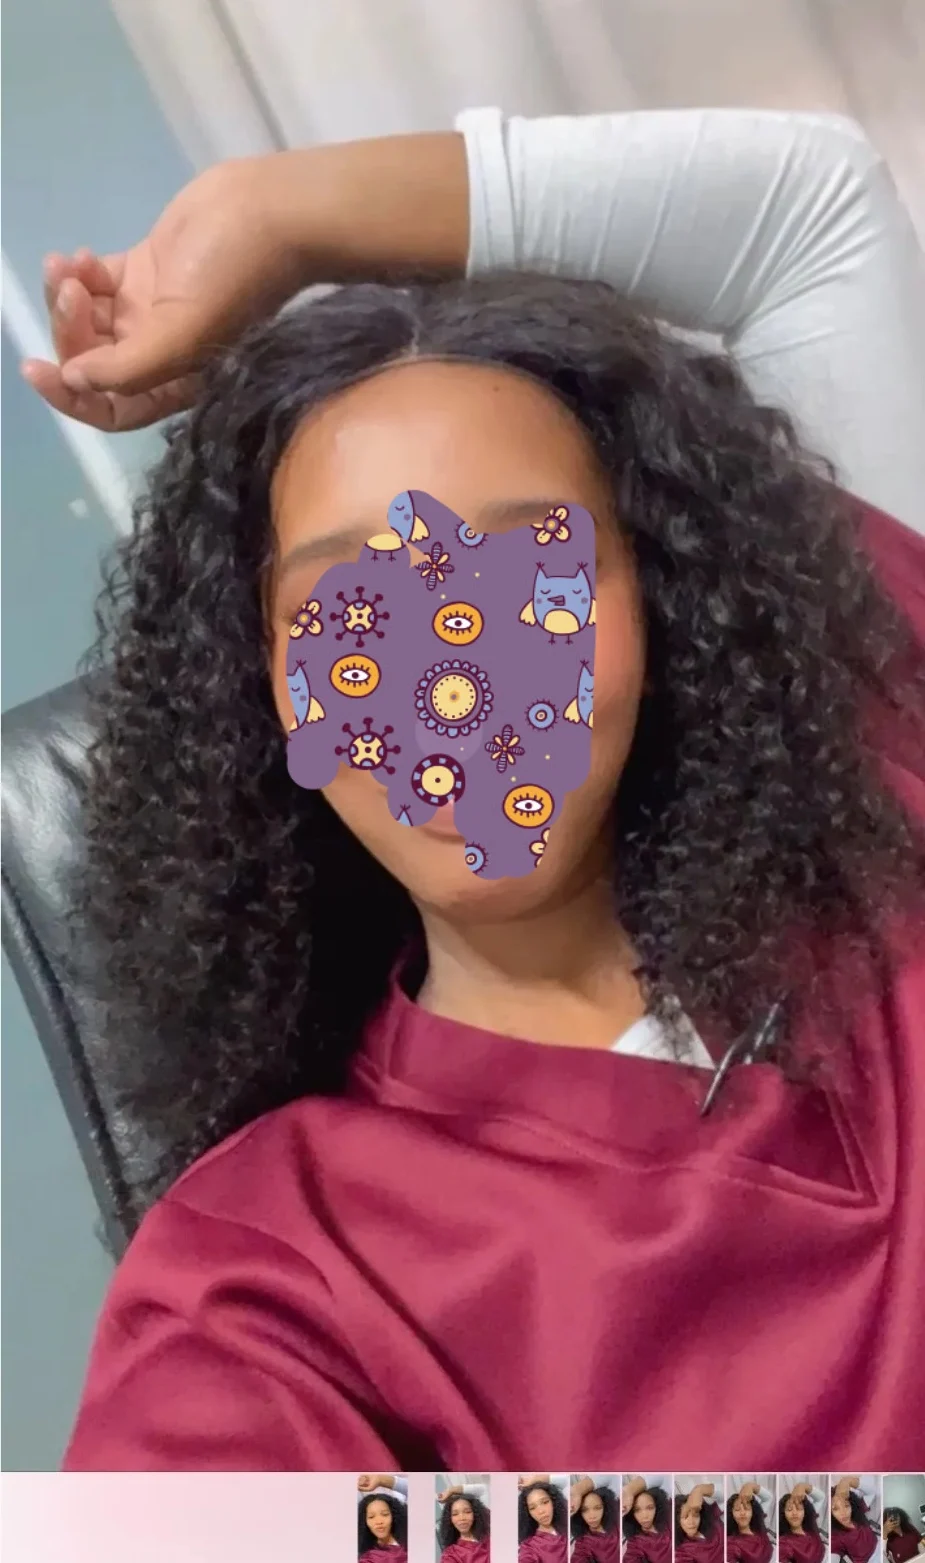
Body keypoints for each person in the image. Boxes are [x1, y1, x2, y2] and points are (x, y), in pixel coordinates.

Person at [30, 105, 925, 1471]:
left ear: (660, 598)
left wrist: (280, 219)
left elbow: (806, 211)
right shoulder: (269, 1279)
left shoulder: (878, 755)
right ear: (268, 690)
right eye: (348, 608)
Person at [437, 1485, 490, 1563]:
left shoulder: (488, 1530)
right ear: (450, 1519)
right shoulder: (451, 1555)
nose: (462, 1518)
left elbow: (483, 1489)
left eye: (467, 1512)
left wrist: (451, 1490)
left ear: (475, 1514)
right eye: (455, 1514)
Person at [623, 1479, 672, 1563]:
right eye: (637, 1510)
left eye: (650, 1508)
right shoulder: (635, 1543)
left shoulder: (669, 1517)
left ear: (657, 1507)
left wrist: (629, 1490)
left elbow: (661, 1476)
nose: (645, 1516)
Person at [831, 1479, 880, 1563]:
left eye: (846, 1505)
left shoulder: (858, 1511)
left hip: (879, 1545)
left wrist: (847, 1481)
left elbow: (872, 1492)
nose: (843, 1512)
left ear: (852, 1505)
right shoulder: (835, 1537)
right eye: (835, 1509)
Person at [569, 1483, 620, 1563]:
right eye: (584, 1510)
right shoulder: (583, 1542)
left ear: (605, 1508)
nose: (592, 1516)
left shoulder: (616, 1520)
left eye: (598, 1508)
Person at [518, 1481, 568, 1563]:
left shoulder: (566, 1525)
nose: (541, 1511)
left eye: (545, 1502)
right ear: (528, 1513)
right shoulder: (529, 1546)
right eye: (532, 1508)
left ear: (553, 1502)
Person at [676, 1483, 724, 1563]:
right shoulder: (682, 1551)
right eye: (685, 1517)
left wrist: (700, 1490)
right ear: (677, 1520)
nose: (691, 1522)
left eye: (695, 1515)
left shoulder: (712, 1518)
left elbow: (723, 1498)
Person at [726, 1481, 774, 1563]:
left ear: (753, 1512)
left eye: (746, 1508)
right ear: (731, 1514)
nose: (742, 1513)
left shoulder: (759, 1521)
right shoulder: (731, 1545)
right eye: (737, 1510)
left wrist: (751, 1486)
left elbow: (768, 1498)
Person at [780, 1482, 827, 1563]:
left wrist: (802, 1486)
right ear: (783, 1514)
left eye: (798, 1508)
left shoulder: (811, 1522)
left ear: (805, 1512)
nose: (794, 1513)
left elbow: (820, 1497)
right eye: (789, 1509)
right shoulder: (784, 1543)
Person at [358, 1492, 408, 1562]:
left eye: (385, 1514)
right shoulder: (368, 1558)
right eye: (371, 1517)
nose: (379, 1522)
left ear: (394, 1515)